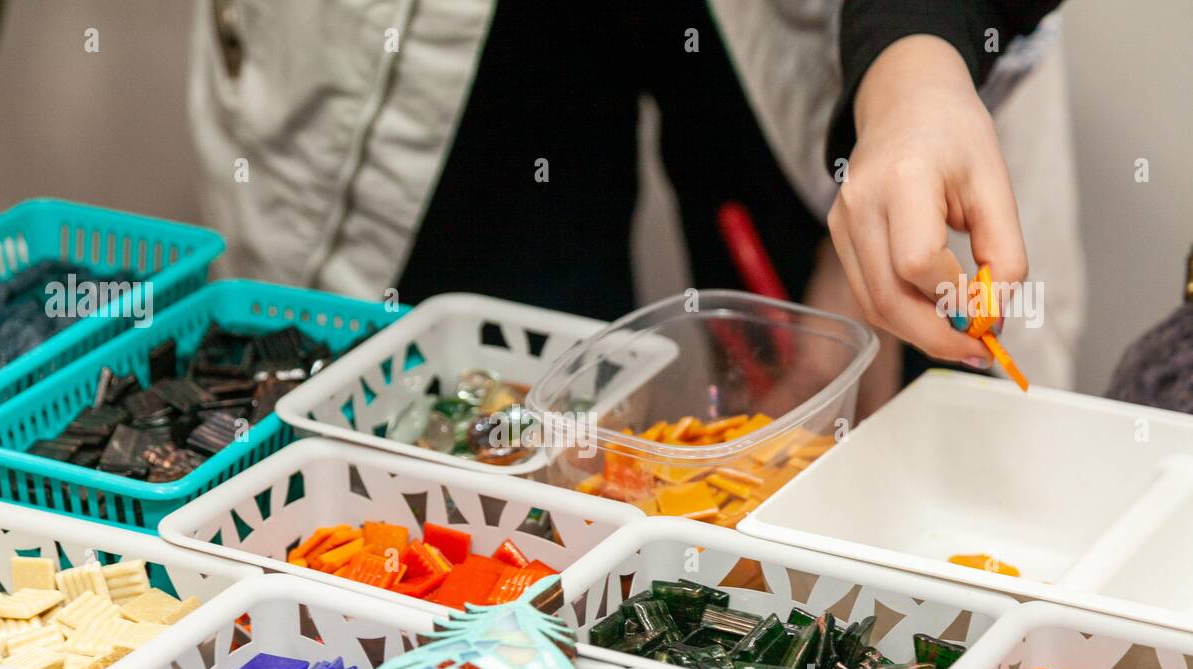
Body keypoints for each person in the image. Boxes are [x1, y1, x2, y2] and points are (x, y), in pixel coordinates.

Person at [190, 1, 1062, 379]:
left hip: (832, 26)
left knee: (873, 408)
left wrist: (911, 65)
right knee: (485, 422)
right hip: (451, 33)